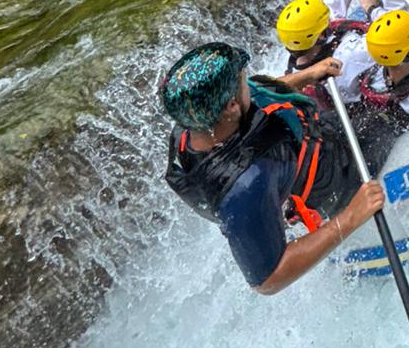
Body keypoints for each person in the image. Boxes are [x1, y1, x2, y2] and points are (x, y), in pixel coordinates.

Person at [162, 43, 384, 295]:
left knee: (368, 114)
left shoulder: (197, 119)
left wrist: (307, 75)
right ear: (232, 106)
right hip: (335, 181)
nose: (248, 83)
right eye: (242, 81)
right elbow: (267, 280)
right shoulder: (243, 188)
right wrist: (352, 216)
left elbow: (258, 92)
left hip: (318, 138)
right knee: (386, 124)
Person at [274, 0, 380, 116]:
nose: (330, 19)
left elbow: (334, 4)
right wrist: (373, 8)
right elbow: (390, 38)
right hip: (371, 100)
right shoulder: (347, 57)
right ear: (322, 35)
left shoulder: (297, 56)